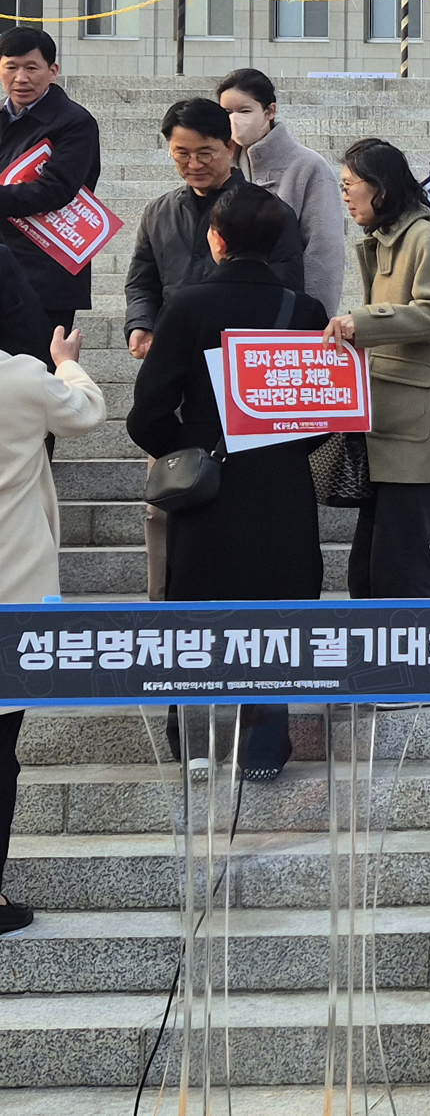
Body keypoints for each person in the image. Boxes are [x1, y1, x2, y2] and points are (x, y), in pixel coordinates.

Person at [125, 182, 328, 781]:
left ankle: (193, 742)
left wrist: (189, 452)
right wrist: (280, 450)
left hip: (207, 493)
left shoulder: (188, 306)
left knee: (197, 610)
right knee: (276, 614)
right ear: (279, 242)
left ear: (215, 239)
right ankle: (262, 748)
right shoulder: (305, 312)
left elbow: (146, 414)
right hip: (283, 490)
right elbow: (323, 417)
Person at [126, 99, 305, 601]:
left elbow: (287, 289)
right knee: (169, 503)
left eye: (204, 152)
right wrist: (141, 325)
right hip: (177, 377)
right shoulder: (160, 211)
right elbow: (141, 281)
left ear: (230, 147)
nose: (193, 164)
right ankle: (167, 607)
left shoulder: (266, 212)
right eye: (181, 154)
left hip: (248, 388)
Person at [329, 138, 430, 599]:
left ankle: (413, 639)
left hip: (414, 427)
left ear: (380, 188)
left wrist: (362, 322)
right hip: (390, 420)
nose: (345, 195)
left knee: (399, 561)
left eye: (350, 184)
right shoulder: (387, 239)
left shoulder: (424, 238)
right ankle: (374, 637)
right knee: (370, 563)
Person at [0, 319, 105, 933]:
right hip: (11, 593)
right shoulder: (18, 377)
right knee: (0, 753)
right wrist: (64, 361)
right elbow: (87, 411)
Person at [0, 27, 102, 365]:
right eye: (11, 67)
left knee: (40, 373)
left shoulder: (74, 122)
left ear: (52, 70)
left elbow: (56, 189)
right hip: (4, 261)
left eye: (32, 67)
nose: (21, 78)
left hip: (46, 269)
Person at [219, 67, 347, 318]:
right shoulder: (223, 166)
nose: (234, 120)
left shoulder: (308, 167)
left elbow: (323, 252)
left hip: (286, 312)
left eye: (244, 111)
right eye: (226, 113)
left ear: (270, 111)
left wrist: (315, 318)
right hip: (229, 308)